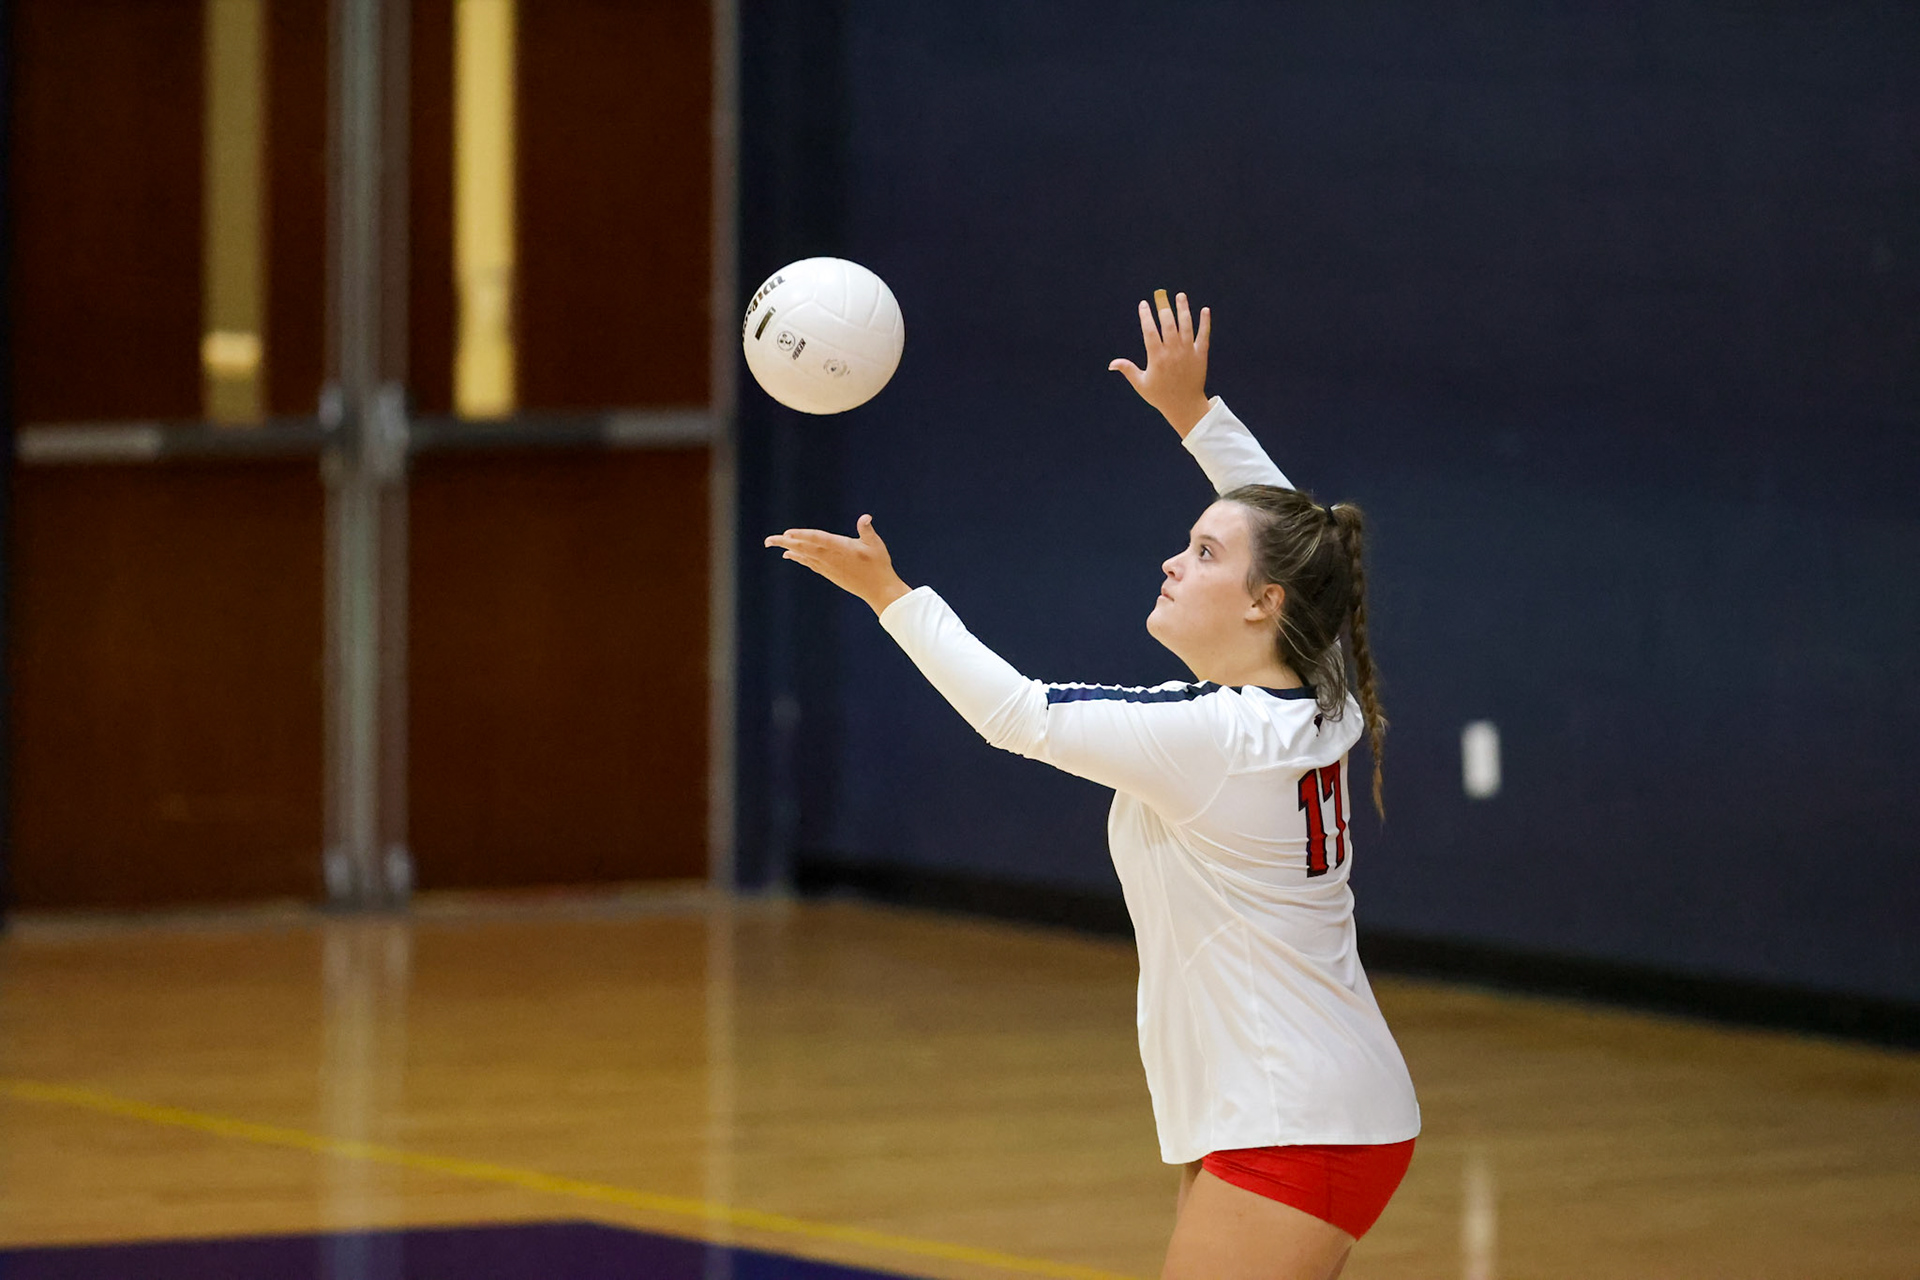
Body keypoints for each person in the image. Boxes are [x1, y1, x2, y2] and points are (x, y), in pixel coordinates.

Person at [764, 292, 1420, 1280]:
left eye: (1204, 553)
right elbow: (1304, 541)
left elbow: (1020, 713)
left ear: (1262, 603)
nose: (1172, 559)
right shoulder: (1320, 692)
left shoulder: (1219, 737)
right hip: (1305, 1109)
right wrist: (1196, 417)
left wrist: (891, 597)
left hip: (1294, 1117)